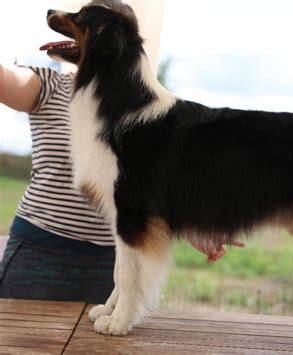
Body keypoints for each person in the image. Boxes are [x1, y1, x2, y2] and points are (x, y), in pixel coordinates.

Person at [0, 2, 243, 302]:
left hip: (115, 260)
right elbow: (5, 81)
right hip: (40, 251)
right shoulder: (47, 85)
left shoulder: (149, 115)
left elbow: (153, 192)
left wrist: (196, 228)